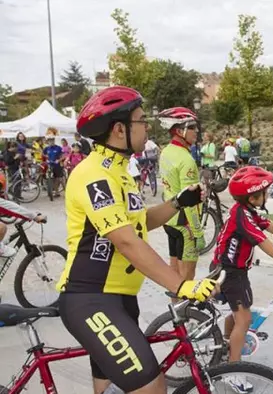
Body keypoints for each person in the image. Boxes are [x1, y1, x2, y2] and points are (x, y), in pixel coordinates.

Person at [55, 86, 216, 394]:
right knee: (152, 387)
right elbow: (126, 241)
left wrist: (178, 202)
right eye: (142, 120)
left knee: (110, 387)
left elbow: (140, 223)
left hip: (120, 298)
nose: (148, 127)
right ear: (119, 129)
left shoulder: (120, 172)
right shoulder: (94, 175)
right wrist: (180, 285)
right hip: (91, 298)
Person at [210, 166, 273, 392]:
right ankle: (232, 373)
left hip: (230, 269)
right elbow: (262, 240)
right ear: (253, 197)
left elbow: (268, 225)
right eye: (265, 192)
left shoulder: (245, 211)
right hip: (230, 272)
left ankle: (226, 346)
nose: (267, 195)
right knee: (244, 320)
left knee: (236, 313)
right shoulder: (242, 216)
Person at [158, 107, 204, 284]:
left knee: (174, 273)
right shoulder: (186, 159)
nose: (196, 131)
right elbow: (189, 199)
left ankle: (175, 310)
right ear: (179, 131)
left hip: (169, 220)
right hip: (185, 224)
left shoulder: (166, 152)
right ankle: (184, 311)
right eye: (192, 127)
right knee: (187, 278)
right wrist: (198, 232)